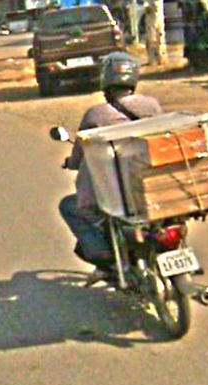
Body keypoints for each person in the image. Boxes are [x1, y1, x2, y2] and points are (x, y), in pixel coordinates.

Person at [59, 52, 162, 269]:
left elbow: (80, 151)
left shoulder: (95, 115)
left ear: (105, 82)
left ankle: (103, 254)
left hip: (113, 195)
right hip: (152, 186)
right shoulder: (152, 106)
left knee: (68, 206)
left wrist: (72, 163)